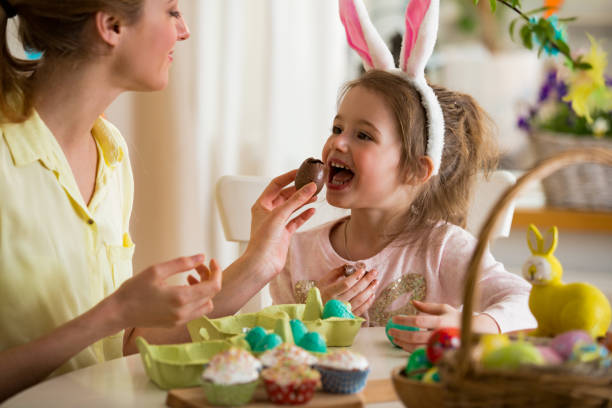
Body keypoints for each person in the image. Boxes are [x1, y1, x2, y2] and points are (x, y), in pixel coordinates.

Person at [0, 0, 317, 401]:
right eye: (171, 11)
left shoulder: (110, 153)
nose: (184, 30)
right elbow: (107, 323)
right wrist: (113, 313)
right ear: (112, 26)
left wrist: (258, 264)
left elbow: (124, 347)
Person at [270, 0, 537, 352]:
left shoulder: (442, 249)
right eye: (337, 127)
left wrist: (466, 324)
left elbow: (527, 305)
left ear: (415, 170)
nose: (338, 143)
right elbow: (275, 347)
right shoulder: (297, 253)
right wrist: (314, 316)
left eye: (363, 135)